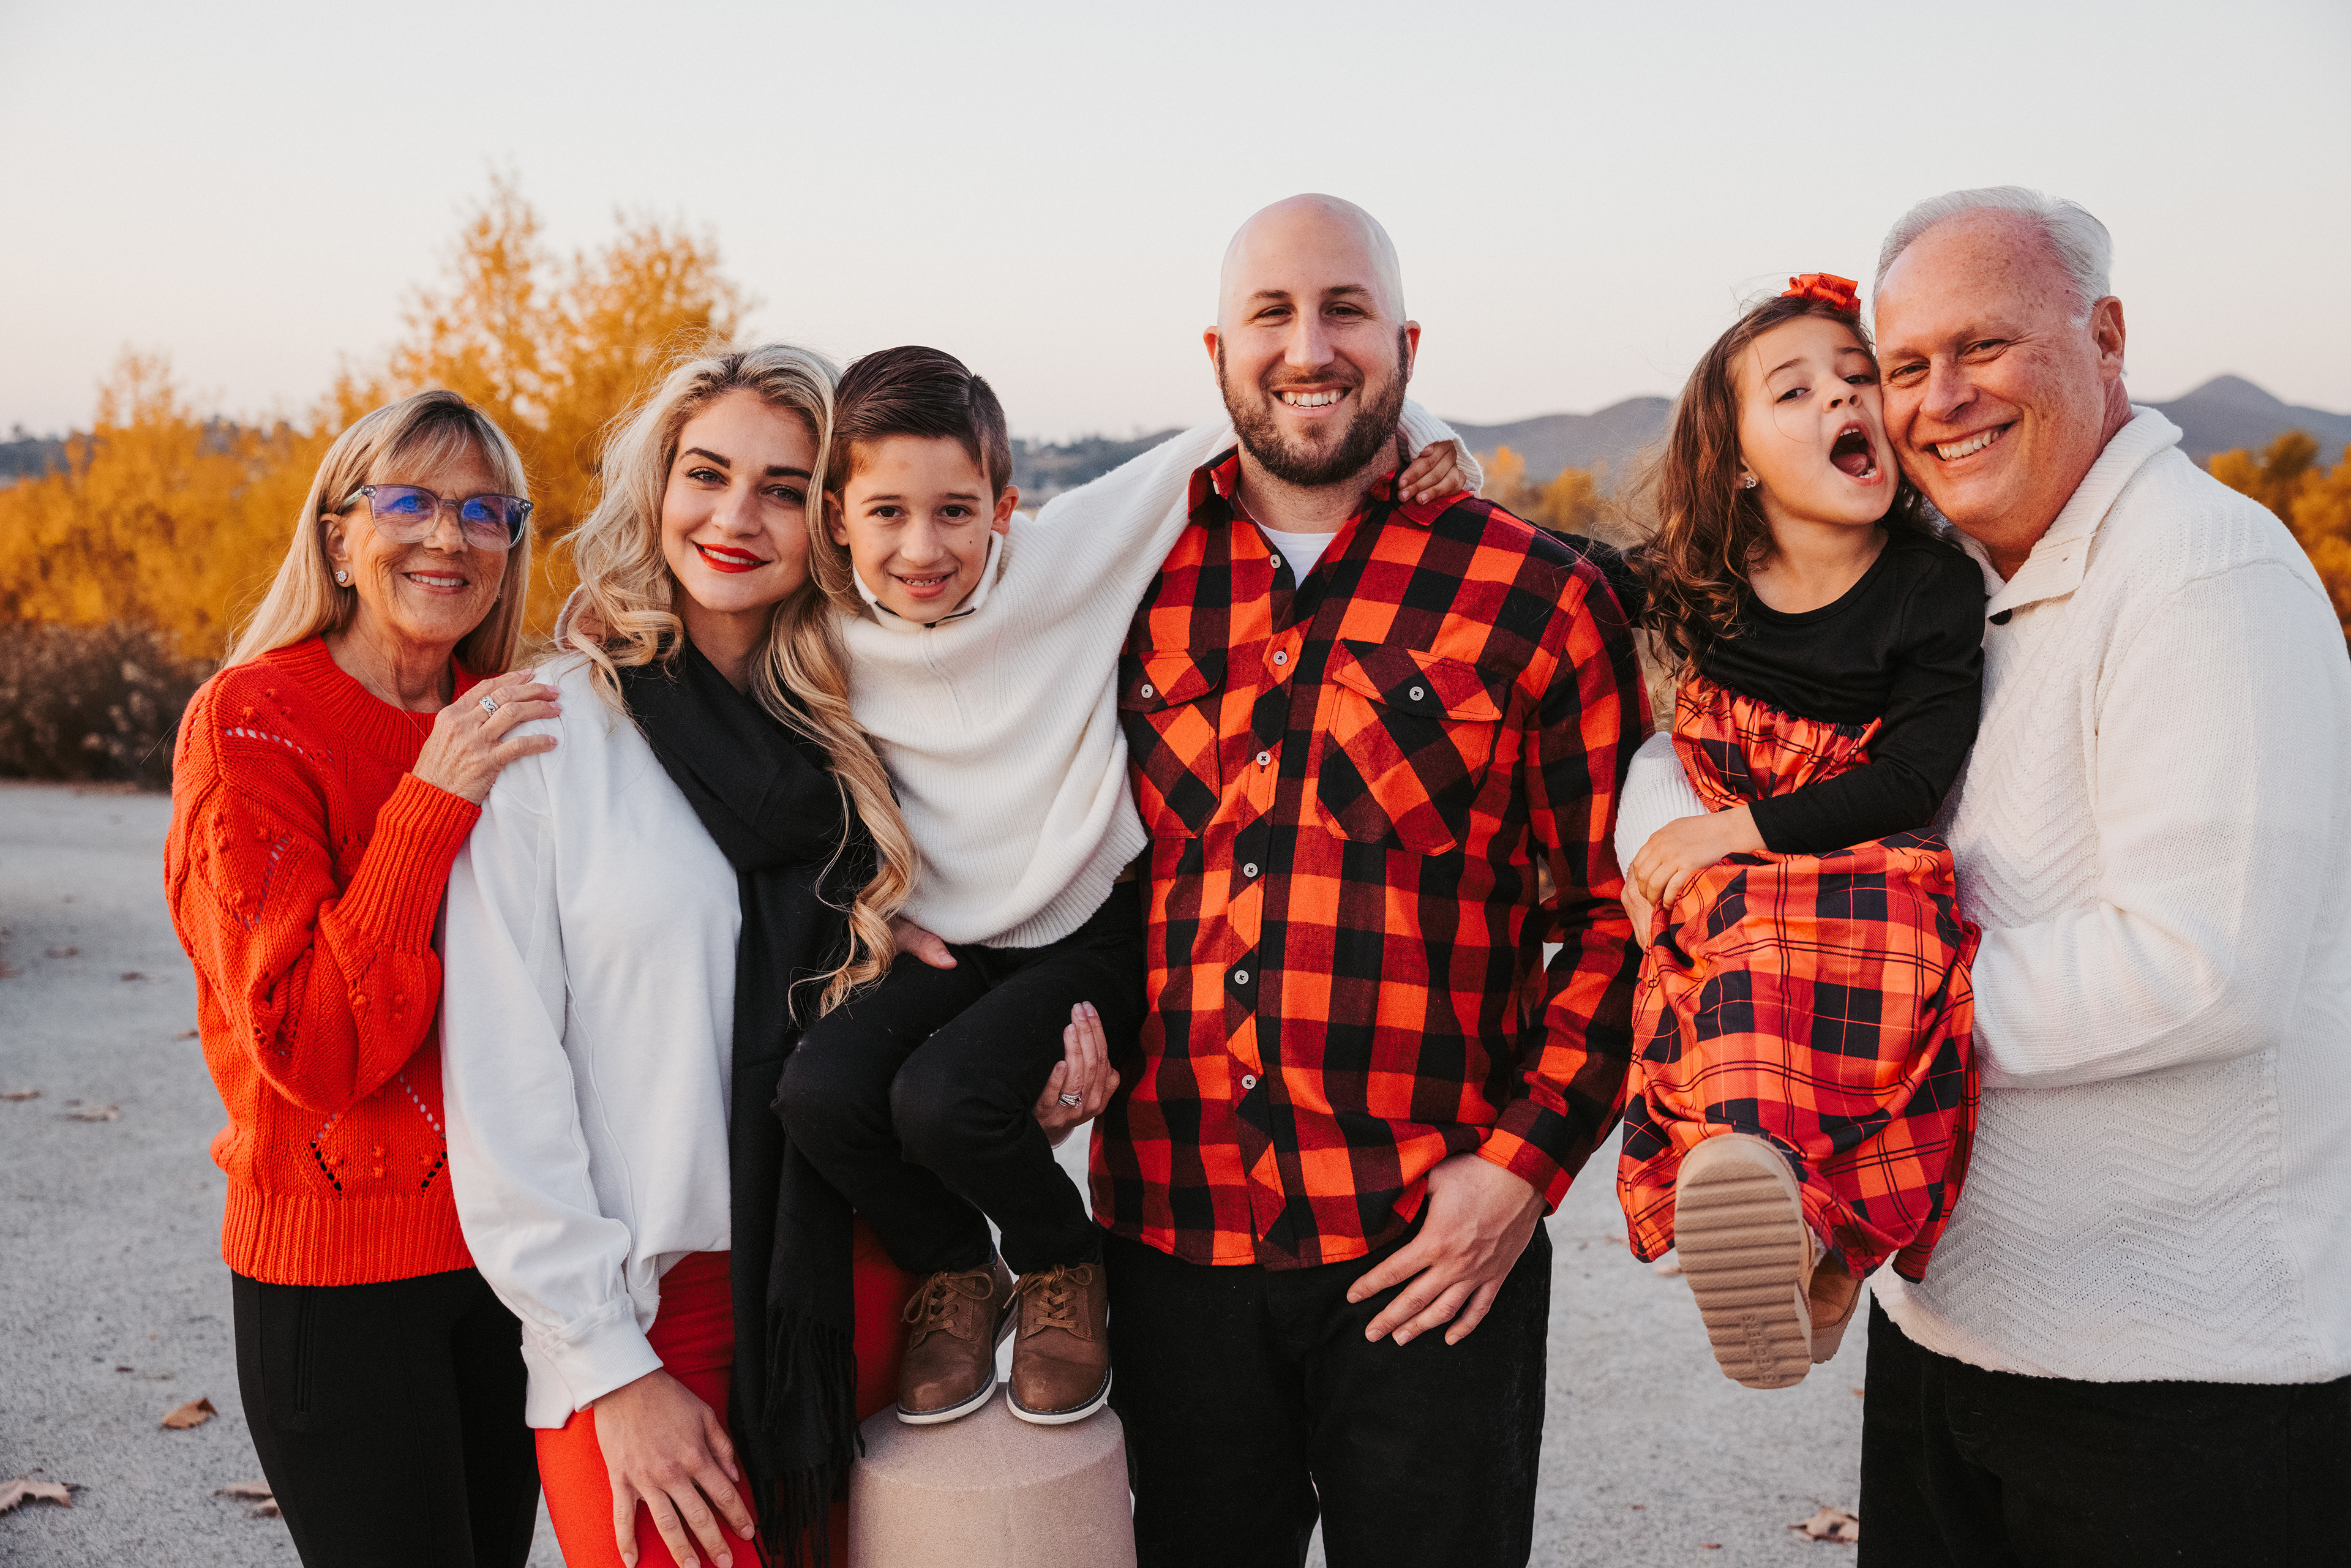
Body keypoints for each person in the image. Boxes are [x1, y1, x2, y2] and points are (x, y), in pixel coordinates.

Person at [1618, 187, 2351, 1565]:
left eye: (1985, 347)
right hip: (1956, 1338)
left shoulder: (2204, 574)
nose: (1938, 398)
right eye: (1905, 365)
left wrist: (1826, 1021)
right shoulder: (1947, 576)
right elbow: (1713, 749)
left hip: (2178, 1381)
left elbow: (2205, 967)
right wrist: (1689, 848)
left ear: (2107, 337)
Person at [1092, 193, 1647, 1568]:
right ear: (1218, 349)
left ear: (1405, 343)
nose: (1308, 347)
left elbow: (1616, 921)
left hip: (1430, 1244)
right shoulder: (1120, 587)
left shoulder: (1539, 597)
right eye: (1272, 314)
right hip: (1171, 1240)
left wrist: (1519, 1175)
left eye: (1345, 310)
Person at [778, 347, 1472, 1428]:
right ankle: (957, 1266)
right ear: (836, 518)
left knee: (946, 1102)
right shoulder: (820, 635)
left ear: (1005, 506)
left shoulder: (1065, 561)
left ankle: (1062, 1263)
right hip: (952, 942)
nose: (924, 548)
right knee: (818, 1093)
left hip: (1089, 929)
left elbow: (1251, 422)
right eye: (888, 514)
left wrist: (1429, 437)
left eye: (957, 511)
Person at [440, 344, 931, 1568]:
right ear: (657, 486)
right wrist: (611, 1368)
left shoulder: (877, 729)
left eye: (783, 488)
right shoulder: (554, 734)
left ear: (831, 521)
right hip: (645, 1313)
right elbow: (503, 1087)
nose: (735, 517)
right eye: (707, 474)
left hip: (856, 1289)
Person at [163, 389, 555, 1567]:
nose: (450, 536)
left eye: (485, 511)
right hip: (339, 1275)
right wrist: (430, 803)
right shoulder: (251, 722)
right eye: (410, 501)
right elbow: (314, 1048)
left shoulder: (511, 719)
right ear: (338, 537)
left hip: (512, 1251)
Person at [1610, 272, 1983, 1391]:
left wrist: (1736, 830)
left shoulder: (1931, 587)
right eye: (1796, 389)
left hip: (1848, 854)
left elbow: (1914, 776)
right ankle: (1773, 1210)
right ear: (1735, 461)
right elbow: (1555, 572)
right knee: (1723, 976)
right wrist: (1443, 463)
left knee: (1896, 991)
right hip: (1728, 863)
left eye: (1859, 378)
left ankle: (1826, 1245)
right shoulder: (1705, 580)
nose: (1842, 398)